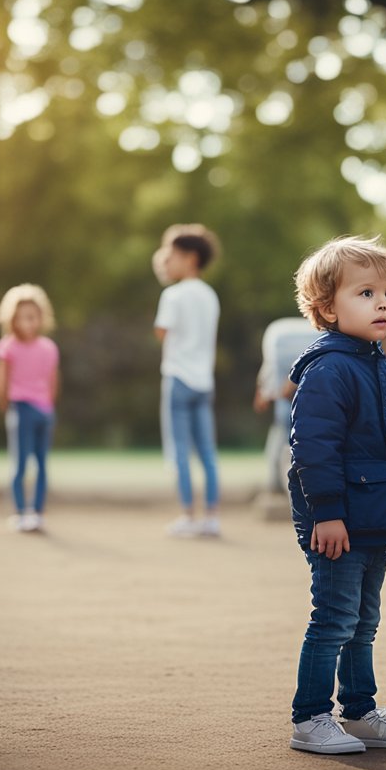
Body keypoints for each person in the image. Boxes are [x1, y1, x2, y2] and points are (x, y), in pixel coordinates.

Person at [287, 234, 386, 756]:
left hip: (374, 516)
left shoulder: (378, 364)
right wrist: (327, 512)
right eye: (366, 293)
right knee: (333, 618)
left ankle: (359, 710)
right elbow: (314, 447)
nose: (383, 304)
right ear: (327, 307)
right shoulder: (330, 369)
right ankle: (310, 718)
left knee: (364, 621)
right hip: (339, 520)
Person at [154, 224, 222, 538]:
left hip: (178, 378)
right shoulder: (210, 295)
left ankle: (186, 515)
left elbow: (161, 333)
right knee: (207, 451)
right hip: (204, 381)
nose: (168, 260)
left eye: (173, 255)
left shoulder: (173, 294)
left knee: (179, 450)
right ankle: (211, 517)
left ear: (190, 258)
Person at [0, 284, 59, 534]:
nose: (27, 323)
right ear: (12, 319)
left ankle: (33, 513)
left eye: (32, 317)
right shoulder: (9, 346)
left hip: (38, 410)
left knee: (38, 464)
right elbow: (1, 380)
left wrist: (48, 405)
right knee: (22, 464)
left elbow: (52, 380)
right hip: (26, 408)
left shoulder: (47, 348)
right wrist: (7, 406)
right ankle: (23, 511)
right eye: (22, 318)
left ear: (41, 318)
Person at [254, 316, 317, 494]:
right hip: (304, 397)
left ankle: (279, 483)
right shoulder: (282, 334)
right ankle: (285, 483)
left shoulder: (277, 334)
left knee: (283, 436)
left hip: (287, 396)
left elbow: (271, 370)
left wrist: (265, 391)